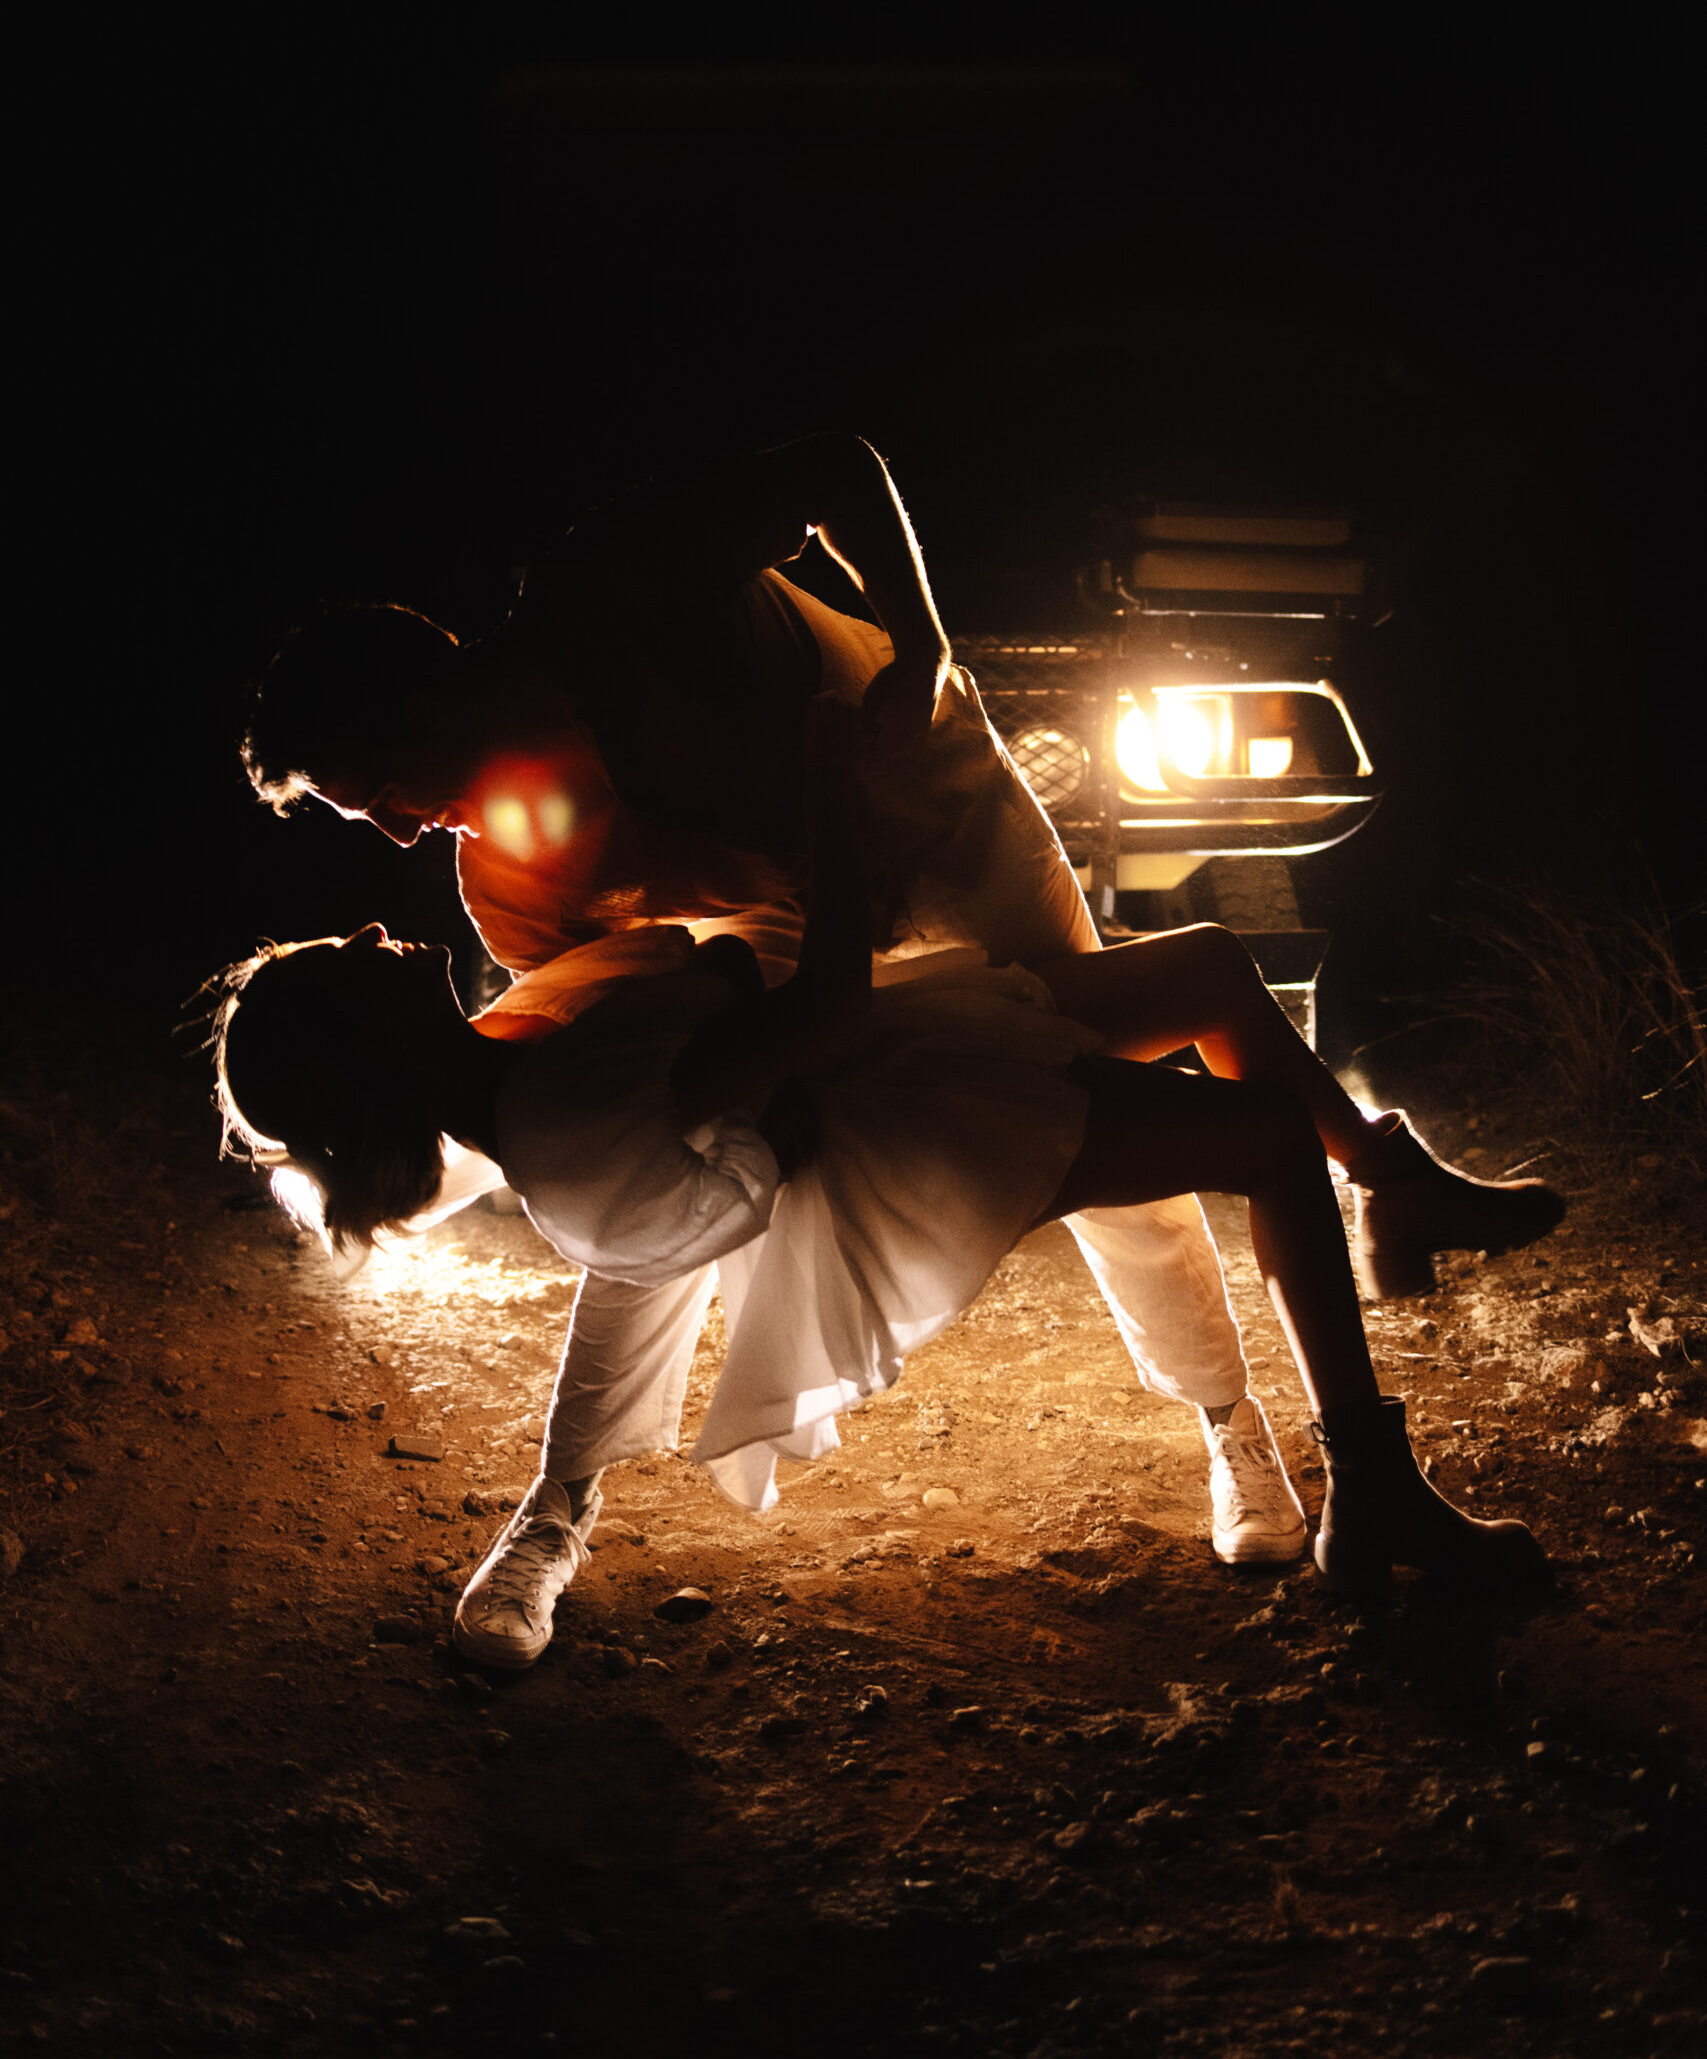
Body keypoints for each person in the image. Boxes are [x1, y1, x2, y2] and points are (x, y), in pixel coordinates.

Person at [213, 706, 1548, 1672]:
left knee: (1205, 970)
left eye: (372, 786)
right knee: (1253, 1135)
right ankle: (1363, 1477)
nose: (380, 921)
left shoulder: (507, 1039)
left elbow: (708, 1010)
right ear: (366, 1050)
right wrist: (822, 799)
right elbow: (695, 1144)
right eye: (351, 962)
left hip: (889, 1040)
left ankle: (1382, 1182)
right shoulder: (549, 1102)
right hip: (910, 1123)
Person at [240, 434, 1322, 1621]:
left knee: (1086, 1095)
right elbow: (616, 1110)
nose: (398, 837)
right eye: (367, 821)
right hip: (800, 933)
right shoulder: (505, 879)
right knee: (638, 1186)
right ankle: (557, 1505)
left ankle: (1232, 1421)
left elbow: (826, 466)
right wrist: (738, 1086)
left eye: (384, 792)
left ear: (425, 692)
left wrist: (923, 639)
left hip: (948, 829)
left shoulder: (607, 585)